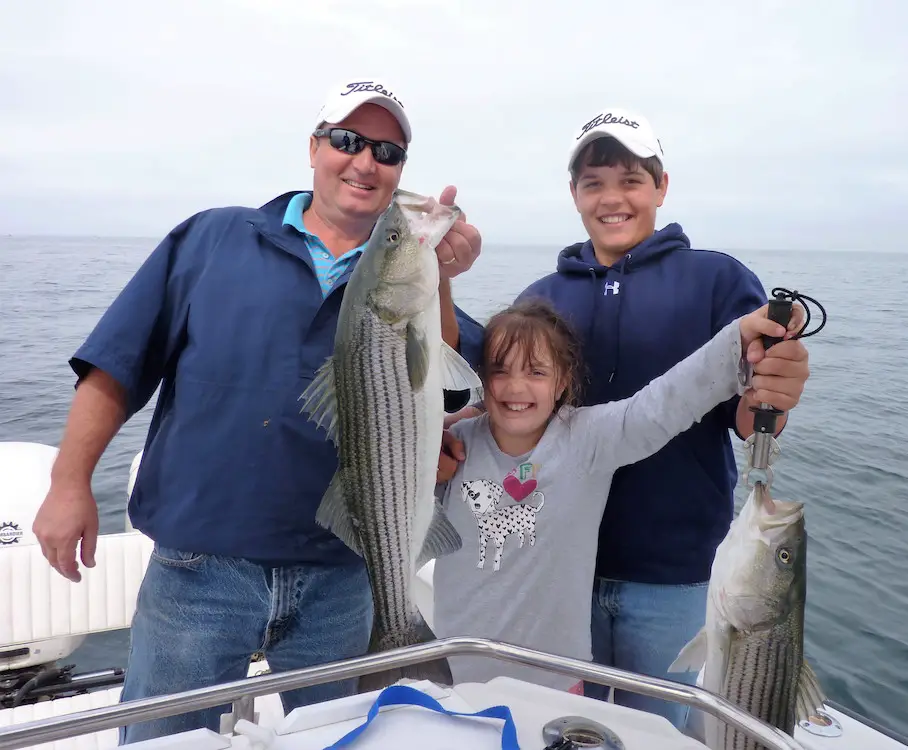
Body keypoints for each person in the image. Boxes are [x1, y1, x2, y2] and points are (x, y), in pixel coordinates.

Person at [30, 79, 486, 743]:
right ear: (313, 147)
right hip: (200, 569)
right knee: (164, 741)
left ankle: (397, 641)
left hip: (342, 578)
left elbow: (441, 391)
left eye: (387, 152)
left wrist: (441, 274)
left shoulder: (413, 287)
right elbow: (117, 363)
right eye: (347, 140)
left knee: (325, 739)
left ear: (399, 172)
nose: (364, 161)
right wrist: (70, 482)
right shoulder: (214, 238)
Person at [441, 107, 810, 729]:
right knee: (560, 727)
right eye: (594, 182)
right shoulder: (542, 296)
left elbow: (743, 410)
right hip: (553, 574)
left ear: (661, 186)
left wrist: (777, 379)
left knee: (657, 731)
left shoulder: (717, 279)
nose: (612, 197)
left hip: (673, 577)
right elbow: (488, 384)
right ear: (574, 194)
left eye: (631, 179)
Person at [431, 297, 806, 695]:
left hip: (552, 680)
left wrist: (739, 339)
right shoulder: (451, 445)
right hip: (451, 669)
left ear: (562, 381)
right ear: (482, 380)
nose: (516, 387)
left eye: (536, 372)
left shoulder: (586, 439)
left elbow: (663, 404)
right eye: (499, 371)